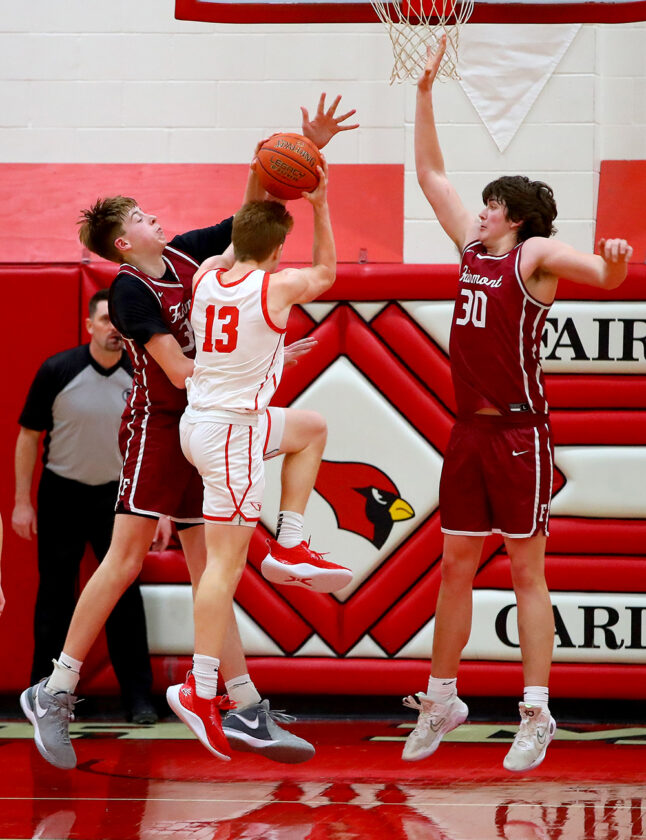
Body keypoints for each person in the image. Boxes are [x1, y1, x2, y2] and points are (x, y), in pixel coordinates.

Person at [20, 95, 357, 771]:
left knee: (213, 570)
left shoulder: (180, 257)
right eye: (142, 216)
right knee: (122, 562)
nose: (156, 217)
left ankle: (244, 704)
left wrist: (304, 151)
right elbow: (177, 368)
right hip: (161, 423)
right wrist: (252, 357)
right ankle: (54, 691)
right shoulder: (127, 291)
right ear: (123, 241)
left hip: (207, 421)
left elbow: (252, 214)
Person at [402, 37, 633, 774]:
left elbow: (597, 270)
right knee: (454, 567)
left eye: (493, 204)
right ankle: (442, 698)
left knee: (528, 573)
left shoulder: (533, 258)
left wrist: (616, 263)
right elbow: (432, 173)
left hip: (519, 436)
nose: (480, 209)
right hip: (465, 434)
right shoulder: (472, 252)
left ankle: (536, 712)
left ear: (516, 220)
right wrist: (425, 92)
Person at [166, 155, 336, 761]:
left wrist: (259, 179)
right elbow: (327, 269)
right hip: (232, 435)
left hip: (204, 422)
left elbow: (243, 232)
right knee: (222, 568)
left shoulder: (210, 273)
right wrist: (318, 204)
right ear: (277, 248)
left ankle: (289, 541)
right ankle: (200, 687)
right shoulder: (277, 284)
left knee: (311, 428)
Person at [12, 290, 158, 724]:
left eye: (120, 321)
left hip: (121, 498)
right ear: (89, 325)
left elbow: (161, 445)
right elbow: (28, 437)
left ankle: (138, 699)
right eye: (105, 320)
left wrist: (160, 509)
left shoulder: (145, 373)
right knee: (56, 594)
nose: (114, 328)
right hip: (62, 493)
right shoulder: (57, 370)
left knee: (125, 596)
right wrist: (22, 502)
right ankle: (44, 692)